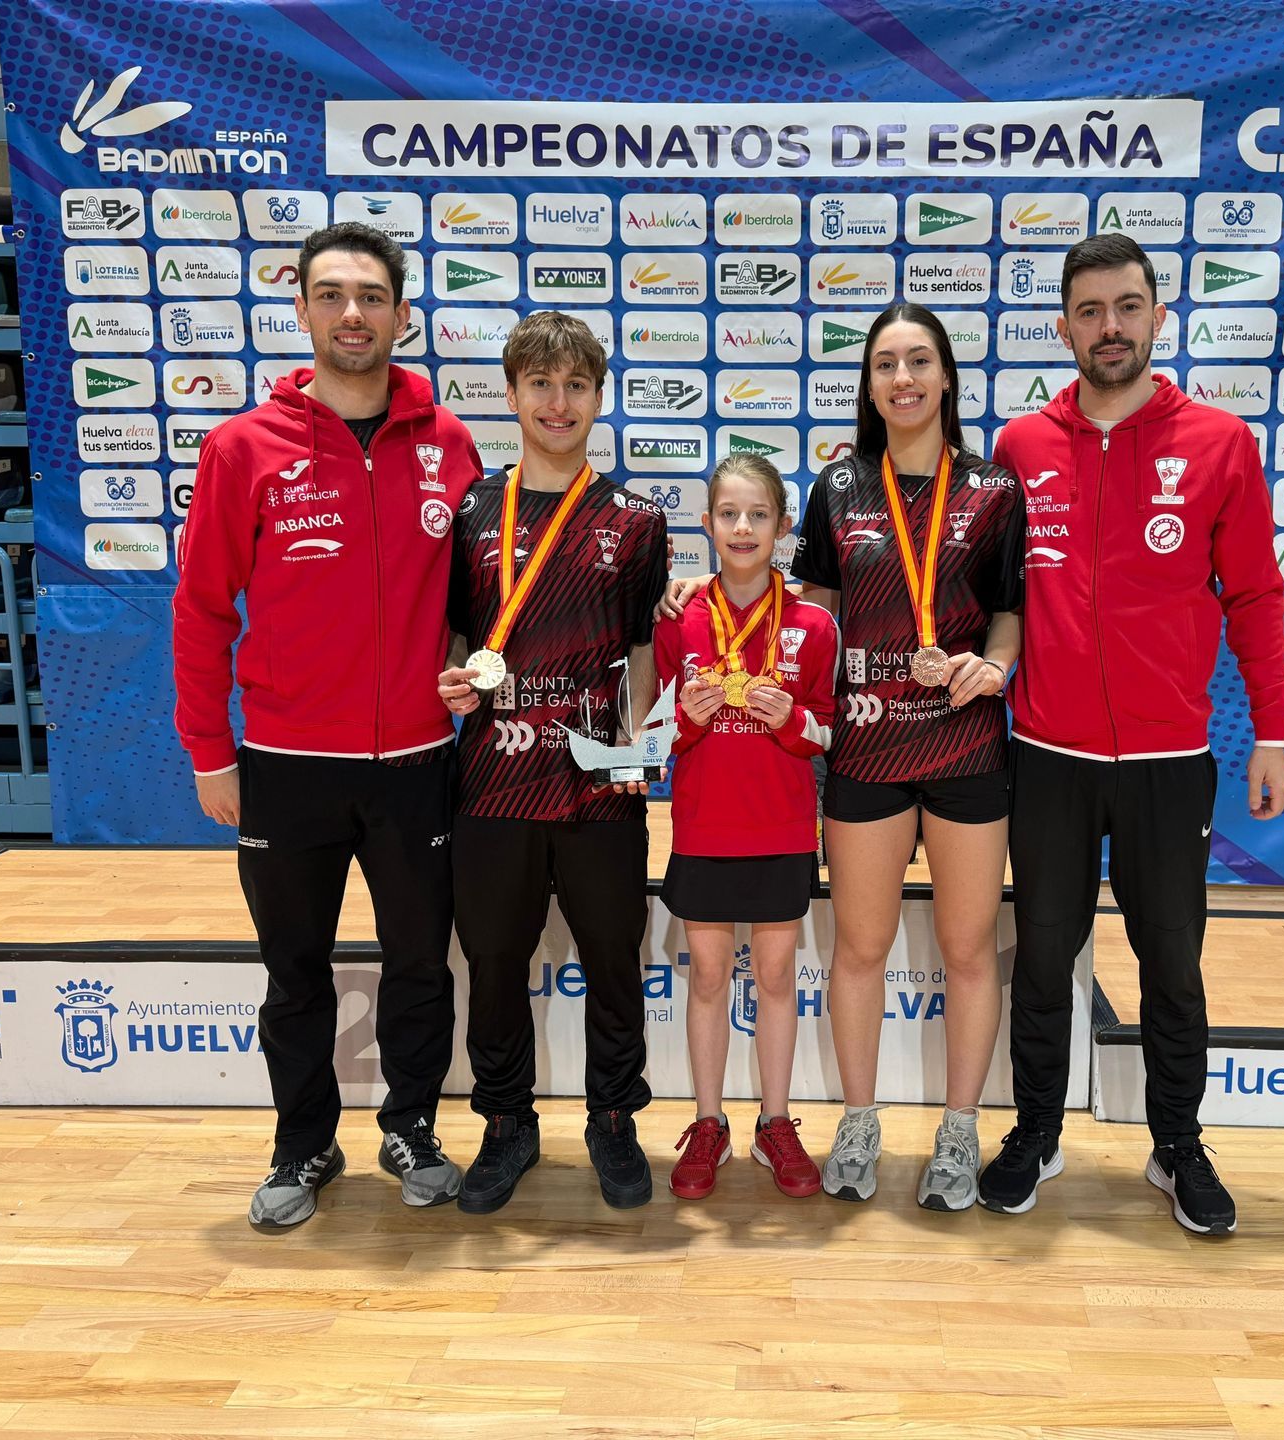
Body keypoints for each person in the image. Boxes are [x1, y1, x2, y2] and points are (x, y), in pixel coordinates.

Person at [172, 221, 483, 1232]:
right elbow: (202, 611)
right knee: (294, 971)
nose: (354, 314)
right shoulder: (242, 448)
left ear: (401, 313)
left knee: (420, 966)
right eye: (333, 295)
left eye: (372, 296)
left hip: (417, 765)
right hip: (285, 764)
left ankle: (412, 1126)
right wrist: (209, 753)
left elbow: (480, 596)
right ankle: (303, 1141)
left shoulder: (448, 443)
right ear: (303, 309)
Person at [982, 232, 1284, 1232]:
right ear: (1064, 327)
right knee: (1042, 958)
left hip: (1169, 759)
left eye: (1126, 307)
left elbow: (1254, 595)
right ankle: (1035, 1132)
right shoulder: (1020, 448)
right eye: (1089, 311)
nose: (1108, 327)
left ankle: (1177, 1145)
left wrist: (1274, 731)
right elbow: (991, 597)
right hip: (1048, 755)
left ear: (1158, 317)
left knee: (1172, 961)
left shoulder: (1219, 443)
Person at [792, 302, 1024, 1211]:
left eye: (919, 360)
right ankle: (858, 1121)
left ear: (947, 377)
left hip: (965, 744)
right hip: (867, 747)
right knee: (860, 948)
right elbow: (811, 614)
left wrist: (994, 666)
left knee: (968, 950)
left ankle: (960, 1130)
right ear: (869, 385)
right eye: (885, 364)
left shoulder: (993, 490)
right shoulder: (839, 487)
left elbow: (1007, 613)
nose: (903, 379)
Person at [437, 310, 669, 1213]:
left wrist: (637, 747)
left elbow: (644, 648)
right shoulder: (472, 512)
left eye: (575, 385)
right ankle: (506, 1123)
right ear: (511, 394)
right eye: (540, 384)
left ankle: (613, 1117)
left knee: (613, 958)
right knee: (495, 961)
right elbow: (458, 636)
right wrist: (450, 682)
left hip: (598, 783)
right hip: (494, 778)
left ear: (598, 397)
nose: (558, 402)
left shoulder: (636, 520)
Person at [654, 454, 838, 1200]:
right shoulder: (680, 619)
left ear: (783, 527)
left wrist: (792, 719)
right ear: (705, 524)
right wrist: (685, 722)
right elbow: (653, 736)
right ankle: (708, 1122)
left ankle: (775, 1120)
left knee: (775, 977)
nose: (742, 527)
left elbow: (830, 734)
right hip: (704, 827)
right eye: (728, 514)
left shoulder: (813, 624)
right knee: (706, 976)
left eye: (758, 514)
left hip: (782, 829)